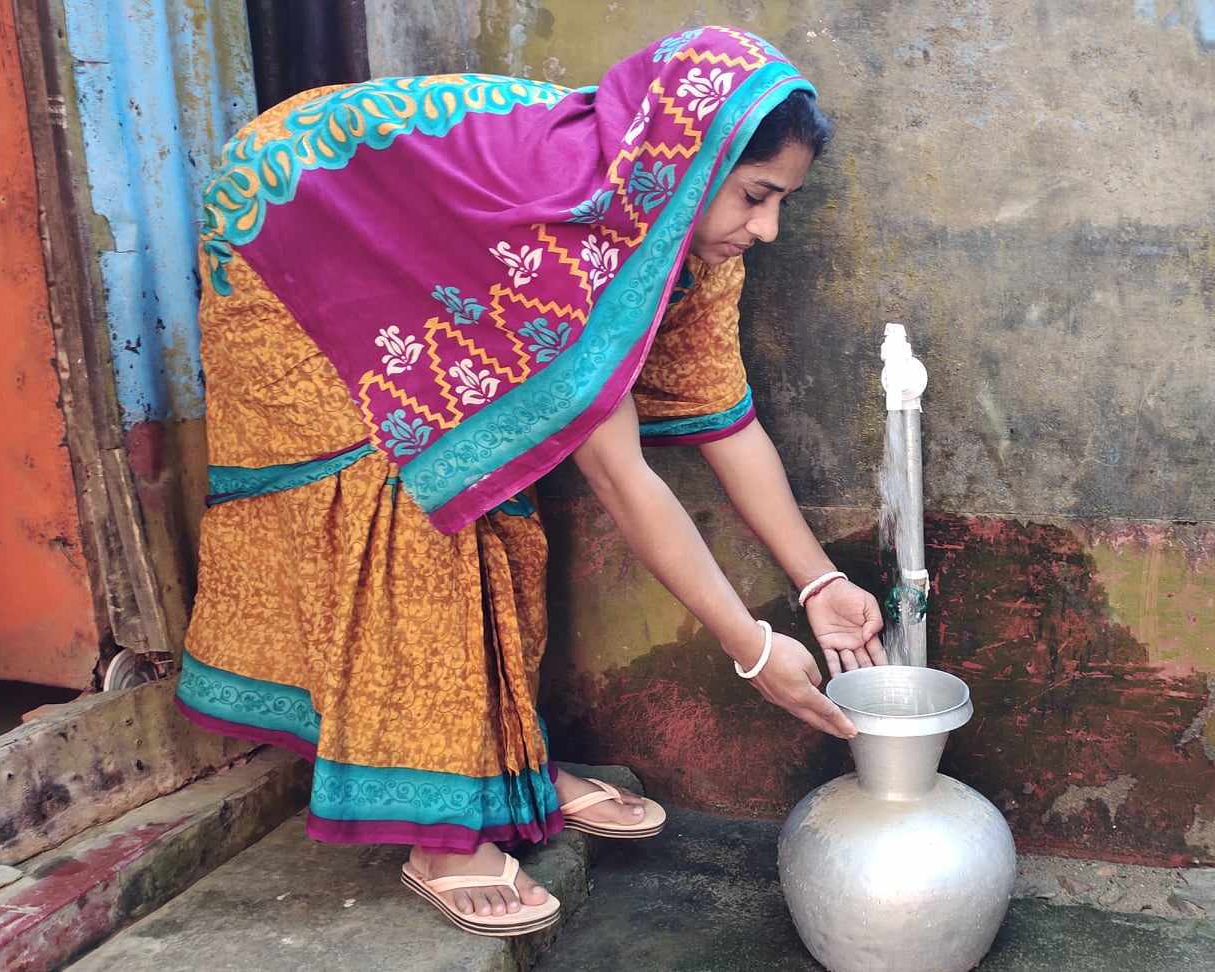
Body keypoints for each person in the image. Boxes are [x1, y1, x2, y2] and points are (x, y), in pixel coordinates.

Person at [174, 26, 885, 937]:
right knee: (419, 488)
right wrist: (749, 649)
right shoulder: (569, 238)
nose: (768, 228)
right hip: (292, 211)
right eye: (755, 196)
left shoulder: (682, 232)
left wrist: (818, 581)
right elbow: (621, 475)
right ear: (694, 161)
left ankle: (504, 763)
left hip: (412, 224)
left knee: (497, 474)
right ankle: (436, 827)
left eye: (781, 201)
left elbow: (725, 415)